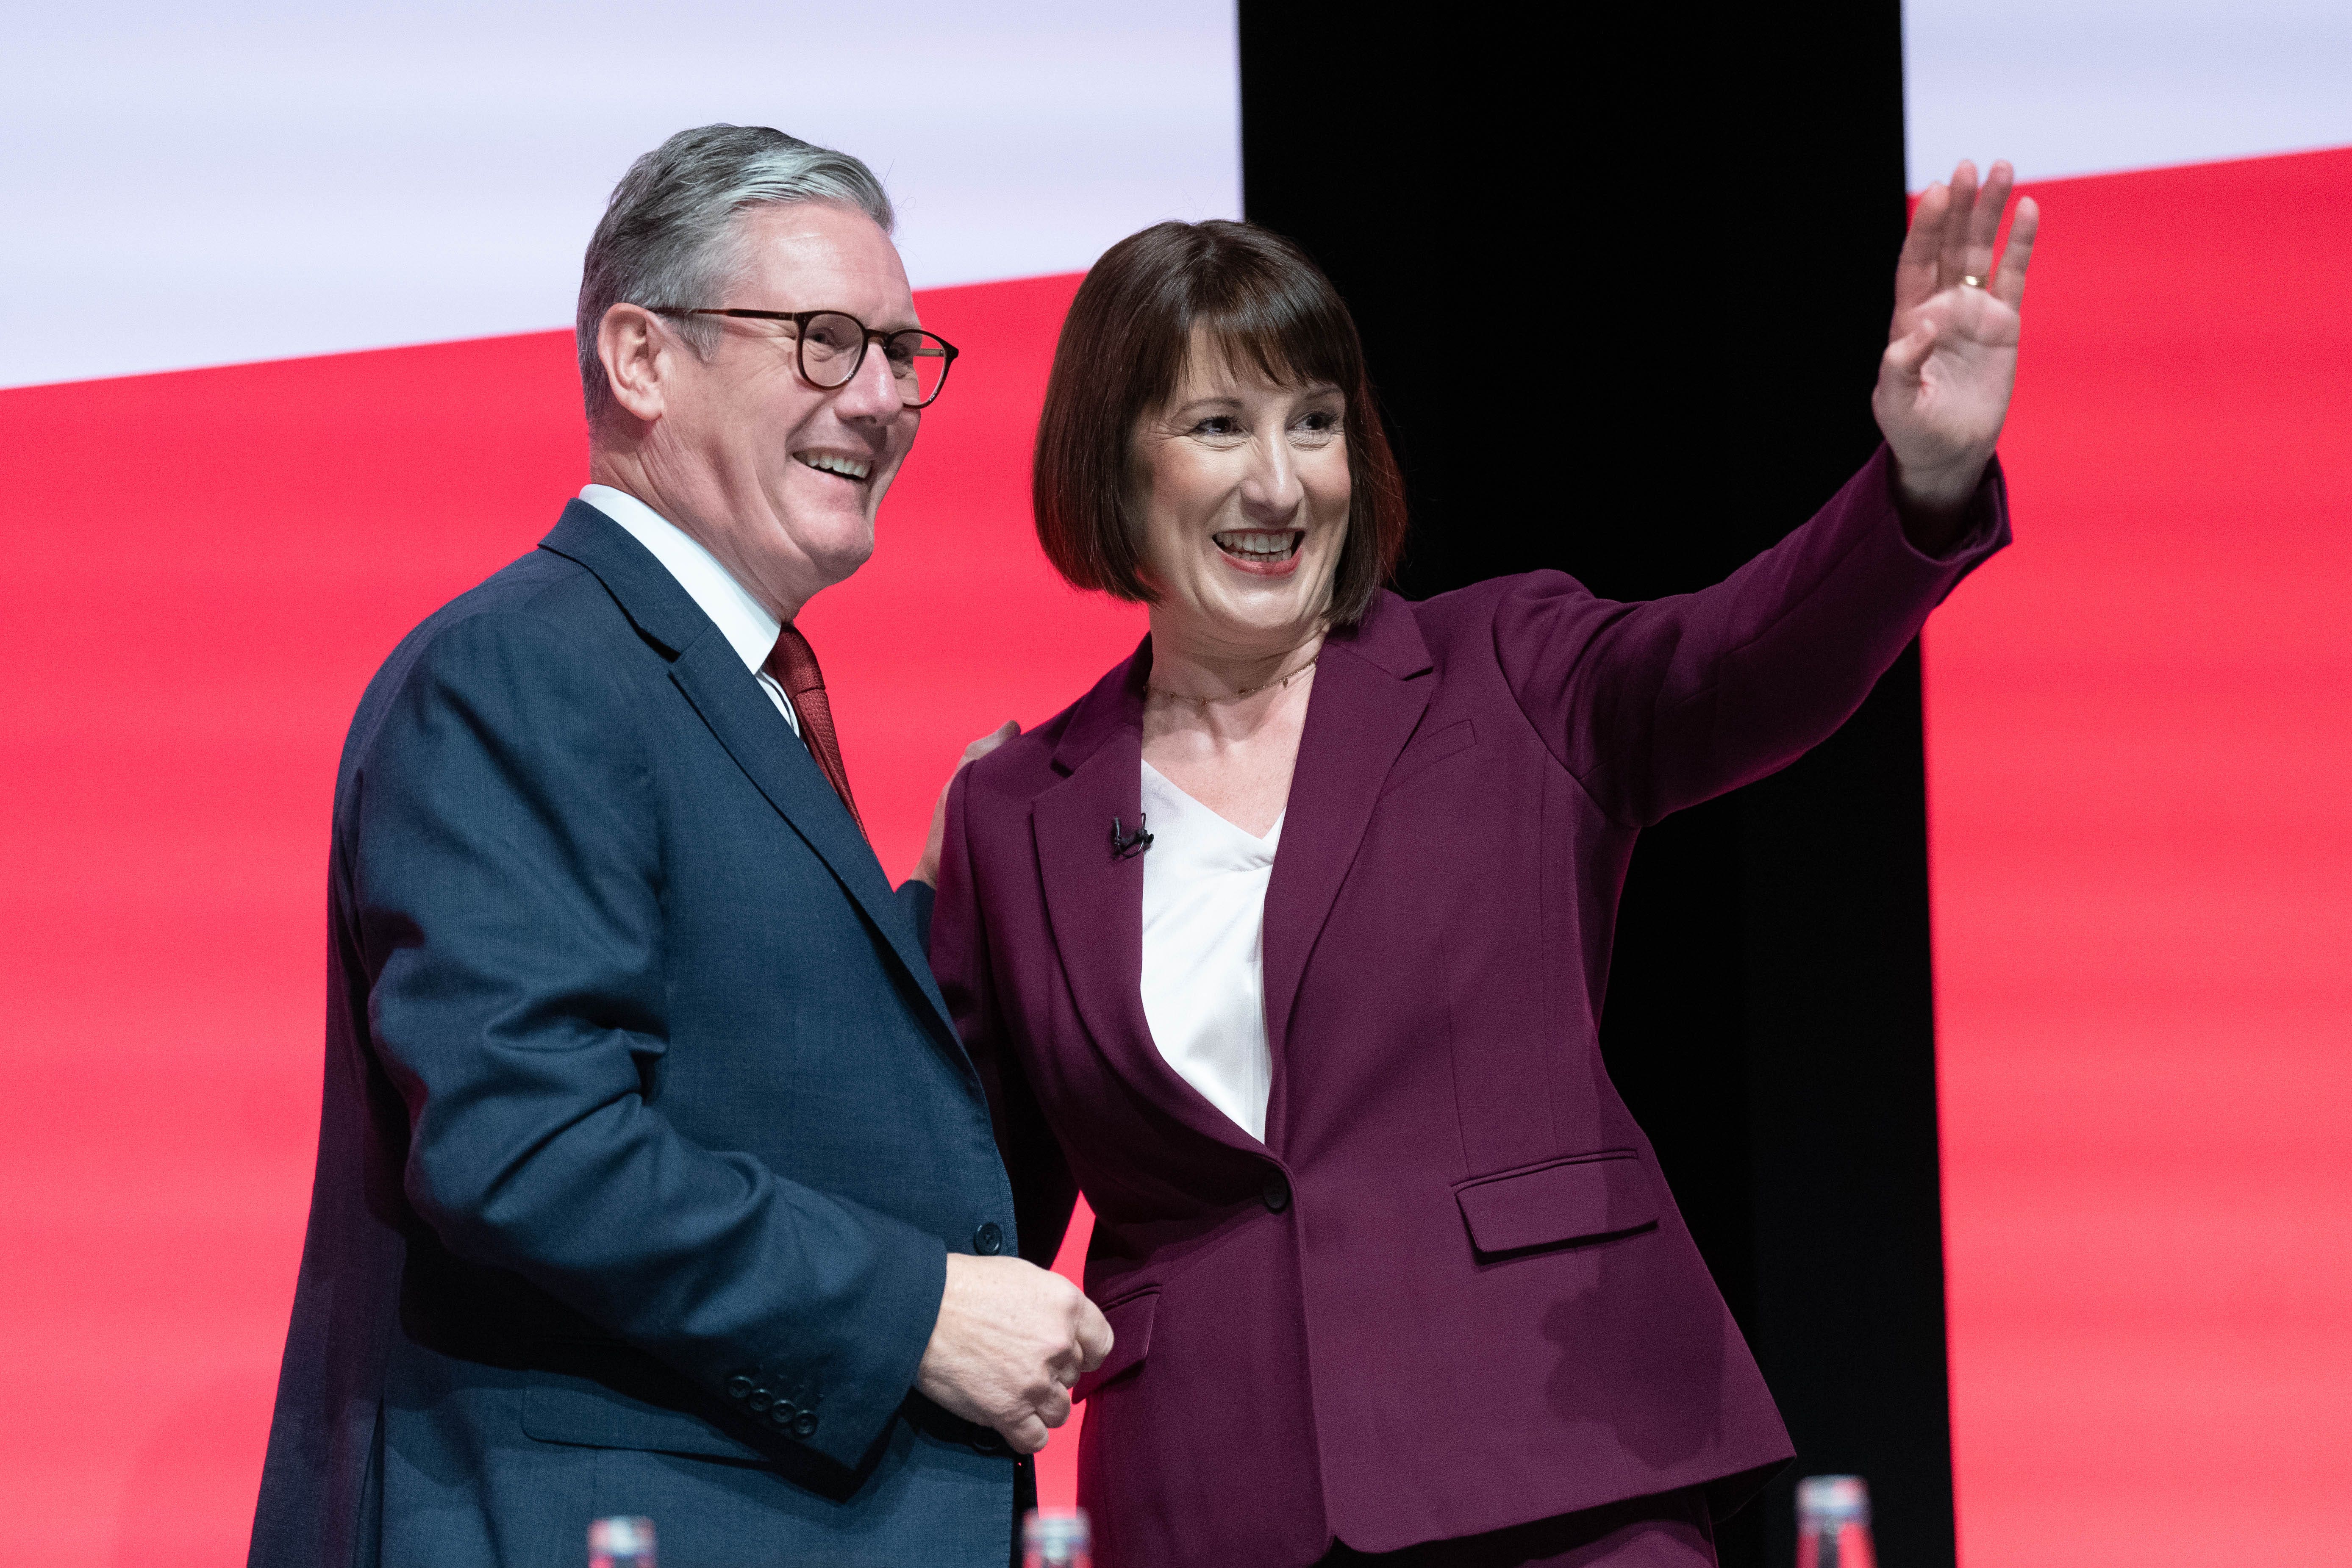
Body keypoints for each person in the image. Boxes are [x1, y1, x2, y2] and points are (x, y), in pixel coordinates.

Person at [925, 162, 2035, 1566]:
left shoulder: (1505, 672)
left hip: (1559, 1468)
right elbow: (971, 1229)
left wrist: (1920, 487)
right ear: (1113, 463)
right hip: (1213, 1503)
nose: (1281, 482)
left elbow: (1746, 662)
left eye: (1314, 423)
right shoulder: (1016, 811)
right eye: (1220, 426)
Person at [248, 125, 1108, 1568]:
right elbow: (530, 1145)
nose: (886, 397)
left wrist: (953, 914)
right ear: (641, 358)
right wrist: (917, 1315)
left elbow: (773, 1082)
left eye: (907, 354)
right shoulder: (524, 670)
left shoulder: (719, 691)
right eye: (828, 341)